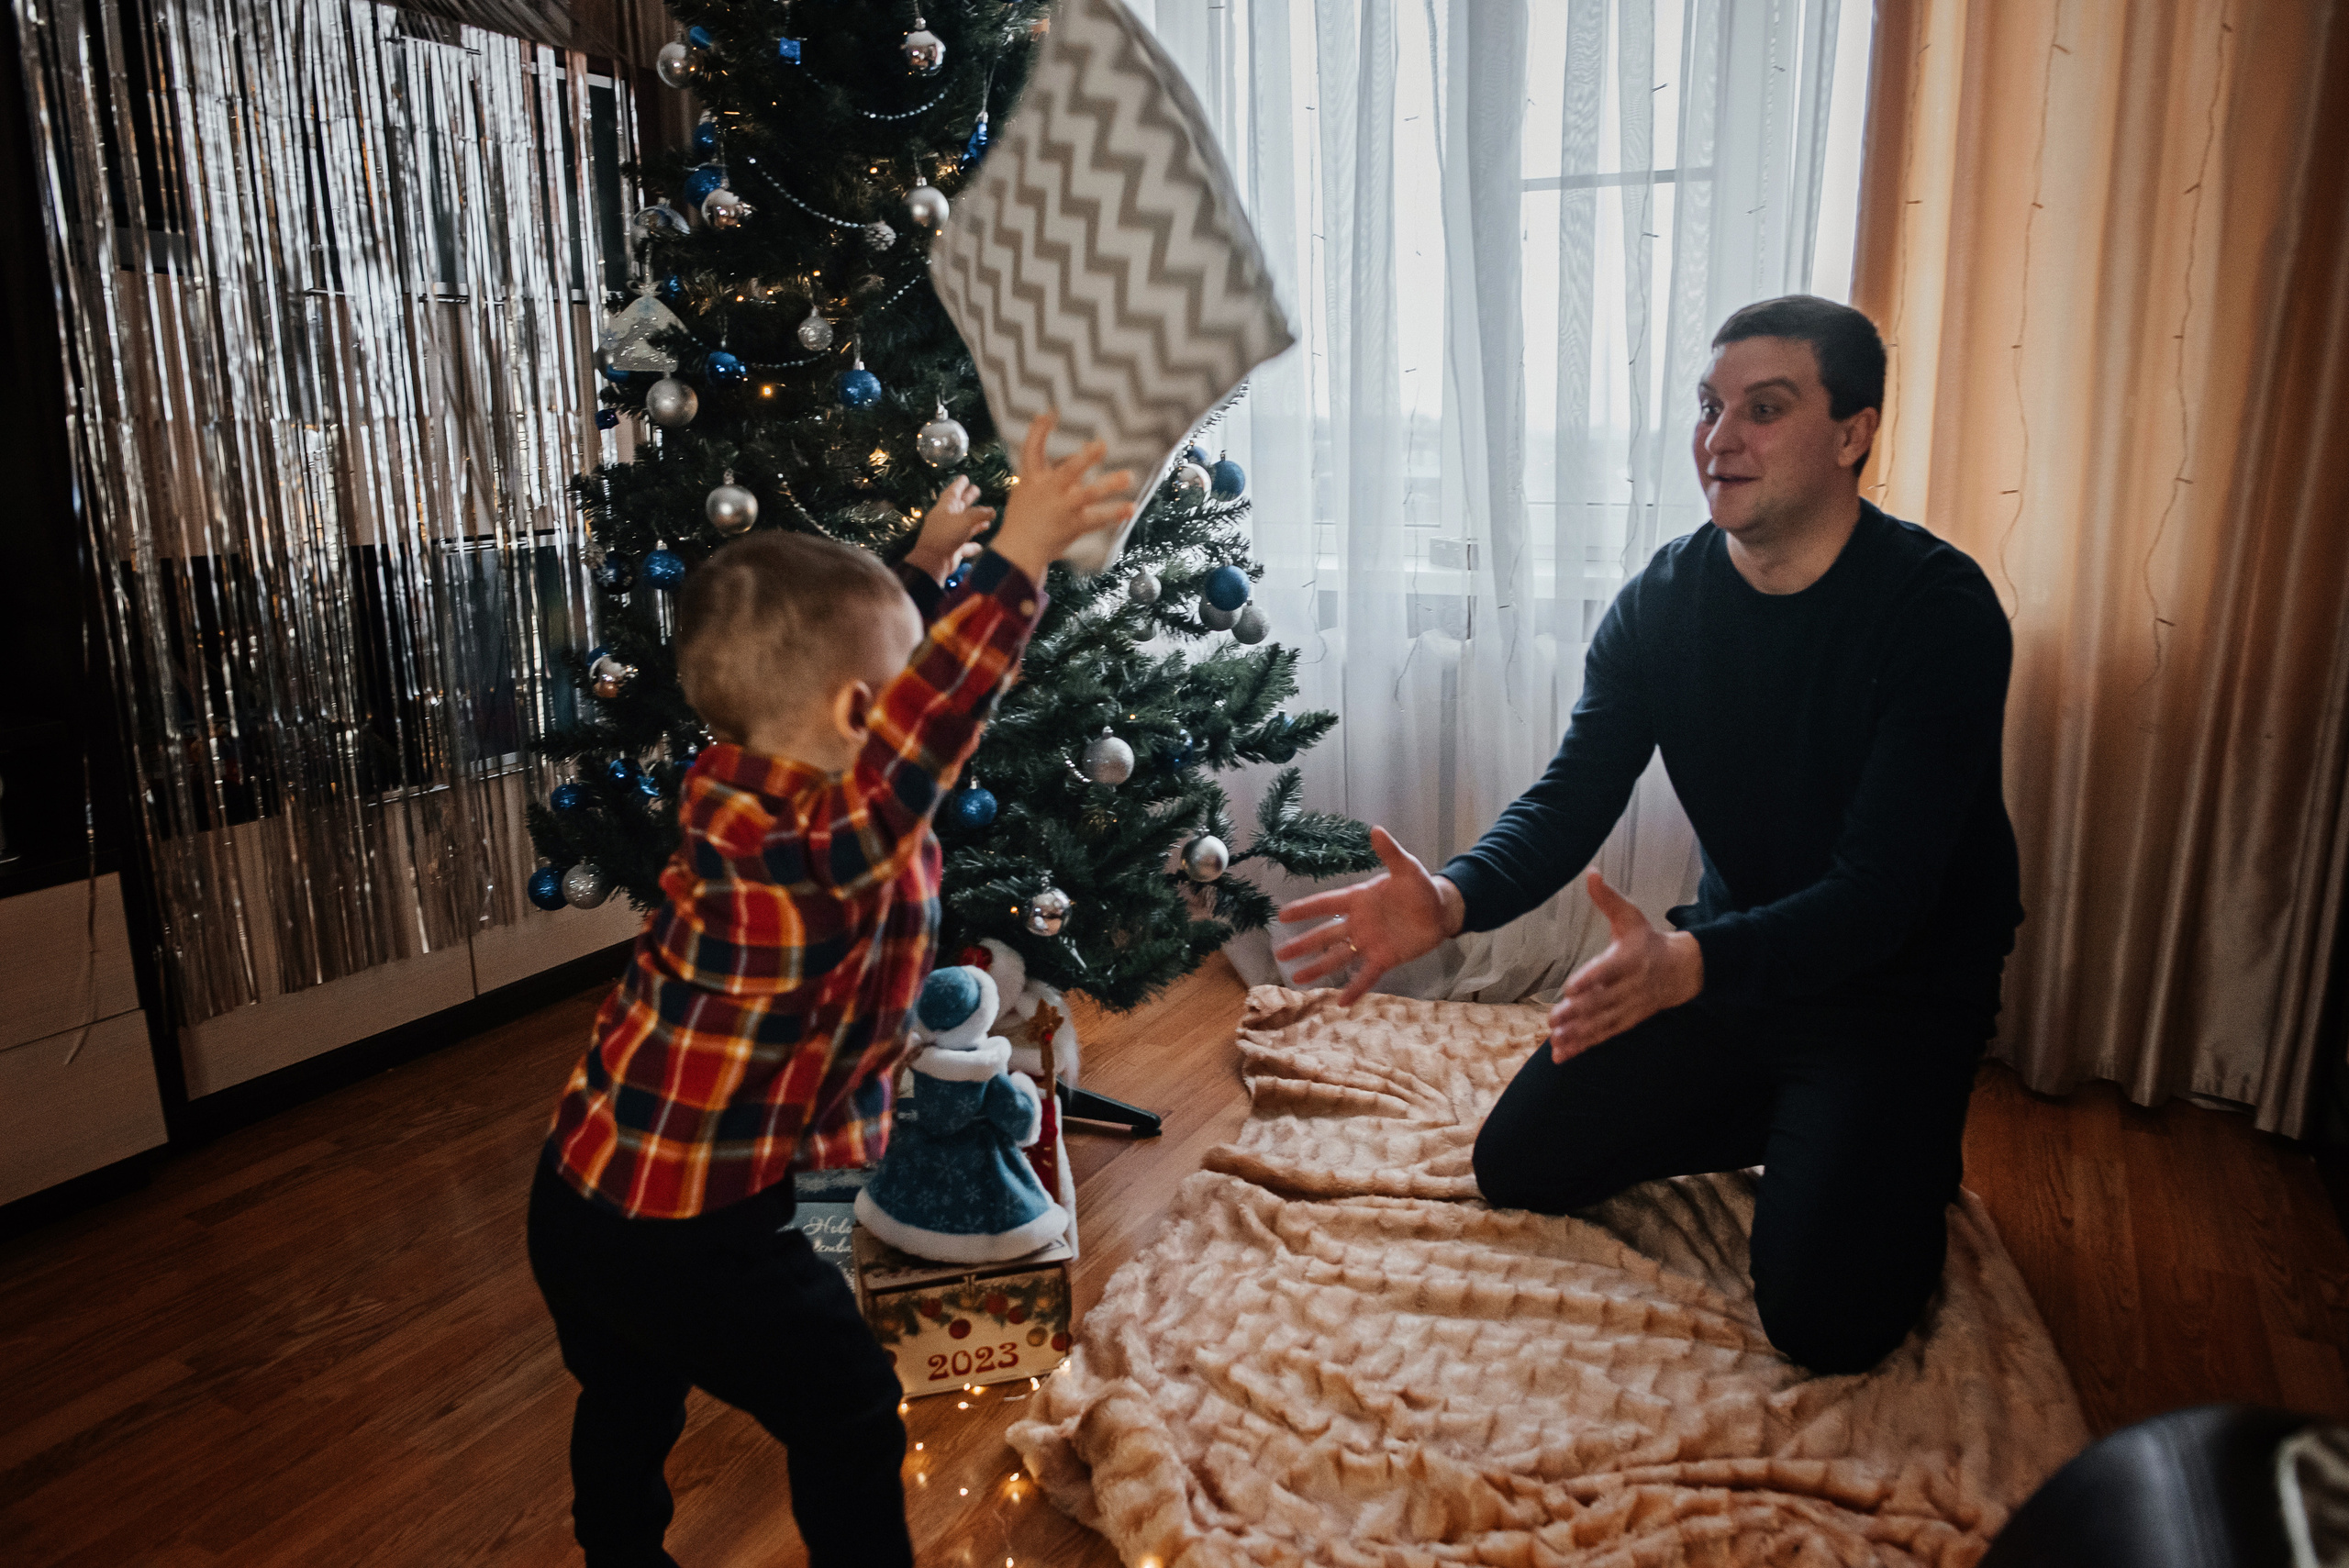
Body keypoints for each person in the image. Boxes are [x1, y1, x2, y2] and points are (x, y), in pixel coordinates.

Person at [1276, 295, 2022, 1376]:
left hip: (1892, 992)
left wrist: (1689, 964)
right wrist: (1452, 899)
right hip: (1724, 967)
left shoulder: (1937, 613)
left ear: (1853, 431)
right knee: (1518, 1161)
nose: (1720, 440)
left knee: (1826, 1320)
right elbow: (1572, 794)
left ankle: (1879, 1129)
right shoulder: (1660, 603)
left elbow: (1884, 892)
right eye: (1710, 407)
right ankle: (1799, 1120)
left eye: (1764, 409)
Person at [526, 413, 1133, 1568]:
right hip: (685, 1228)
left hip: (583, 1188)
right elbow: (926, 722)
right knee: (848, 1401)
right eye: (893, 690)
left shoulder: (744, 779)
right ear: (867, 720)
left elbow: (848, 690)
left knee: (629, 1397)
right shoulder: (819, 852)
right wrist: (1019, 563)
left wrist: (918, 567)